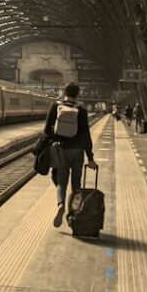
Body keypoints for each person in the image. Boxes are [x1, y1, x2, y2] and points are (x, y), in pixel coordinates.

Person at [43, 83, 98, 227]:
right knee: (76, 184)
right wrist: (90, 157)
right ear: (77, 94)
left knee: (61, 182)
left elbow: (46, 130)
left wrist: (54, 141)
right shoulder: (81, 111)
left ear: (64, 92)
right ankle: (74, 213)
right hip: (78, 152)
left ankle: (60, 204)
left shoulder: (56, 107)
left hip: (61, 150)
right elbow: (86, 135)